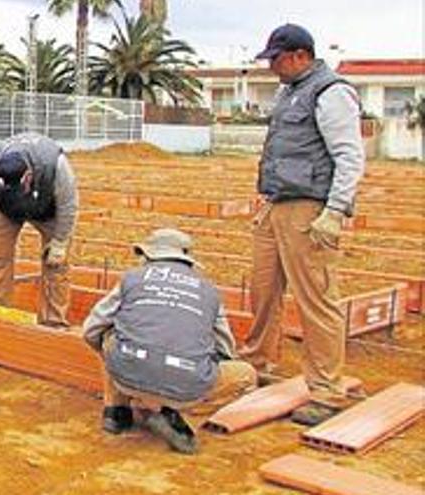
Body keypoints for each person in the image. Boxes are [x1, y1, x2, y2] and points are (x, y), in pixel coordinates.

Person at [240, 24, 365, 425]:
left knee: (316, 299)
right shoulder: (288, 92)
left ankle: (326, 390)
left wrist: (335, 211)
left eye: (275, 59)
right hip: (279, 204)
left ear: (298, 55)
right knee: (263, 290)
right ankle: (258, 364)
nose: (271, 67)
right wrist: (268, 201)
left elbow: (349, 156)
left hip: (310, 210)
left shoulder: (331, 93)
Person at [83, 229, 257, 454]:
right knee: (246, 375)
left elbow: (90, 329)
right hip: (186, 384)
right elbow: (225, 346)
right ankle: (179, 419)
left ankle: (116, 411)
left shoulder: (132, 278)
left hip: (126, 371)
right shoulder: (209, 291)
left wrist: (115, 358)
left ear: (149, 256)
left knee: (108, 334)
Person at [0, 133, 78, 327]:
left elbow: (68, 206)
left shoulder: (55, 165)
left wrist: (59, 242)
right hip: (7, 211)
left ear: (28, 177)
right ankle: (0, 314)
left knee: (56, 263)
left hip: (48, 207)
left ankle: (53, 321)